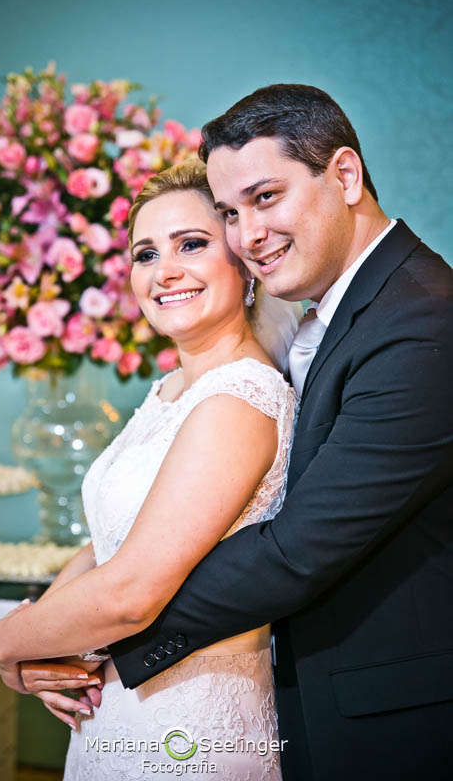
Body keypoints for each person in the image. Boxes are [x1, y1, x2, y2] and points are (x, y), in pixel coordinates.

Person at [103, 85, 453, 781]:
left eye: (266, 198)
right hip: (308, 699)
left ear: (345, 176)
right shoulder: (320, 318)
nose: (247, 235)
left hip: (395, 720)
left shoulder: (423, 322)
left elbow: (297, 551)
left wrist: (108, 631)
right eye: (230, 213)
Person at [0, 159, 302, 779]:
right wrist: (50, 645)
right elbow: (110, 541)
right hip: (119, 714)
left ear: (243, 264)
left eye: (192, 244)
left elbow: (132, 592)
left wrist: (8, 643)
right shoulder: (169, 392)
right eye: (145, 253)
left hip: (187, 730)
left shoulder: (237, 402)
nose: (166, 271)